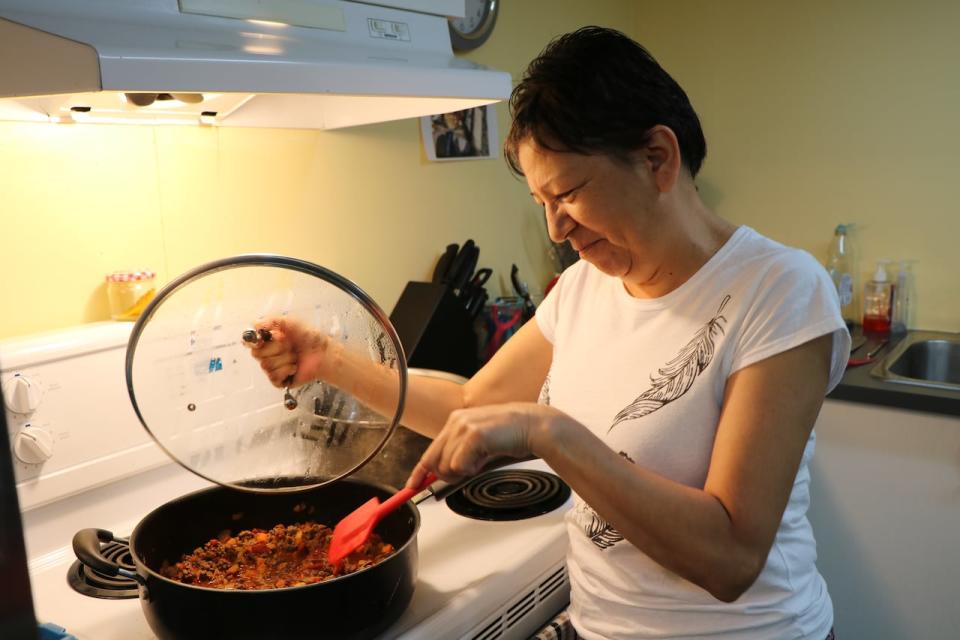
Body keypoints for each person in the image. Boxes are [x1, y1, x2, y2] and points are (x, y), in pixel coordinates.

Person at [249, 26, 848, 640]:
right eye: (540, 200)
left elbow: (730, 558)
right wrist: (327, 360)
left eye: (569, 193)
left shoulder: (779, 291)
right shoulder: (586, 286)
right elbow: (468, 404)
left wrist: (548, 430)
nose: (557, 229)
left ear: (657, 159)